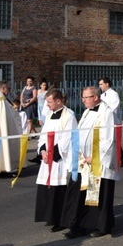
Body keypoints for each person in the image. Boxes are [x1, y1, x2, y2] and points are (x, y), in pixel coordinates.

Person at [61, 86, 118, 238]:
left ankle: (100, 226)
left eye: (85, 97)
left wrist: (95, 156)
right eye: (83, 97)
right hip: (83, 162)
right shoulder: (87, 112)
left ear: (95, 97)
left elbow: (109, 138)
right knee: (79, 195)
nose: (83, 100)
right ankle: (78, 225)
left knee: (98, 195)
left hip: (97, 162)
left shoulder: (107, 113)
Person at [34, 89, 77, 232]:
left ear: (58, 101)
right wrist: (42, 151)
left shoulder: (69, 115)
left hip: (60, 159)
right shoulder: (49, 115)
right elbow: (43, 136)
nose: (47, 105)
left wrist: (53, 153)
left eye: (49, 102)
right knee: (47, 189)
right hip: (48, 158)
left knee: (58, 190)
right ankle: (50, 217)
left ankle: (61, 220)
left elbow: (68, 138)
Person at [98, 76, 123, 166]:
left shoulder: (113, 94)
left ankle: (121, 159)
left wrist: (107, 115)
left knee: (114, 140)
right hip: (104, 121)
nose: (100, 86)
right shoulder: (102, 96)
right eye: (99, 84)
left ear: (107, 84)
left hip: (113, 121)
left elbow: (115, 107)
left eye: (101, 84)